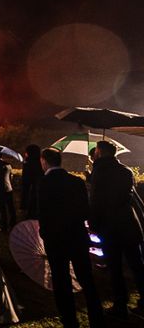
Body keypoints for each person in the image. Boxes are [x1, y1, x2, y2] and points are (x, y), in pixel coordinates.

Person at [38, 148, 105, 328]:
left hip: (55, 239)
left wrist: (44, 232)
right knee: (86, 278)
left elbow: (39, 213)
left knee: (61, 279)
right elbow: (85, 211)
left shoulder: (43, 184)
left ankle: (69, 320)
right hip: (77, 236)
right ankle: (97, 317)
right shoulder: (76, 182)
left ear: (44, 161)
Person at [89, 140, 144, 319]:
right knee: (137, 265)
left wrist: (94, 224)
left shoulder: (99, 172)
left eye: (96, 150)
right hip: (128, 224)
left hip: (110, 226)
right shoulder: (126, 171)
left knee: (115, 267)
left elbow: (98, 201)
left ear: (100, 151)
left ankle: (121, 304)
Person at [0, 147, 16, 231]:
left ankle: (4, 226)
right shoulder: (8, 164)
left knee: (2, 209)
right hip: (9, 188)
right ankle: (13, 224)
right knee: (11, 208)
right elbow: (11, 176)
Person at [20, 144, 43, 219]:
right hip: (41, 193)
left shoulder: (28, 164)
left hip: (31, 193)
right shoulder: (42, 163)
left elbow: (25, 183)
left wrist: (23, 204)